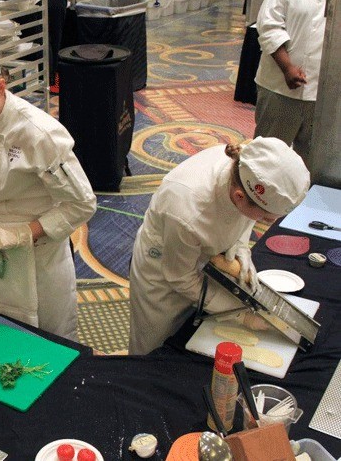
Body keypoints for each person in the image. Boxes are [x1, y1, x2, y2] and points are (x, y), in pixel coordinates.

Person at [0, 39, 96, 340]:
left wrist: (23, 233)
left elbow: (82, 204)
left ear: (0, 86)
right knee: (10, 331)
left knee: (53, 340)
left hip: (42, 256)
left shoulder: (39, 133)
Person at [128, 137, 310, 355]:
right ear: (239, 196)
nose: (266, 222)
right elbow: (180, 277)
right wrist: (241, 314)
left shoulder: (246, 171)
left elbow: (245, 216)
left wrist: (241, 248)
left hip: (201, 251)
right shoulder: (188, 210)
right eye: (265, 218)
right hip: (162, 274)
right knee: (154, 347)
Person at [253, 0, 326, 161]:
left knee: (312, 163)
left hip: (325, 96)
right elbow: (268, 26)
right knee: (267, 158)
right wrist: (287, 67)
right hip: (279, 88)